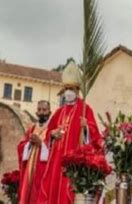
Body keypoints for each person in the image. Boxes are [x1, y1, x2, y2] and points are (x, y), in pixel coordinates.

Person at [38, 61, 102, 204]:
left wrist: (86, 128)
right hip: (57, 163)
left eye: (71, 89)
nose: (68, 92)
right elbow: (48, 135)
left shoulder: (85, 109)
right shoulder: (58, 112)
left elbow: (96, 138)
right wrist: (52, 135)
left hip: (74, 165)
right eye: (66, 88)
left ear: (77, 90)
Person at [17, 100, 52, 203]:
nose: (41, 112)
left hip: (44, 170)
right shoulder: (32, 128)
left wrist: (41, 144)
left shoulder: (52, 128)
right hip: (30, 168)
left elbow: (56, 150)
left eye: (44, 110)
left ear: (50, 112)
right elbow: (21, 146)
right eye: (39, 109)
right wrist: (29, 144)